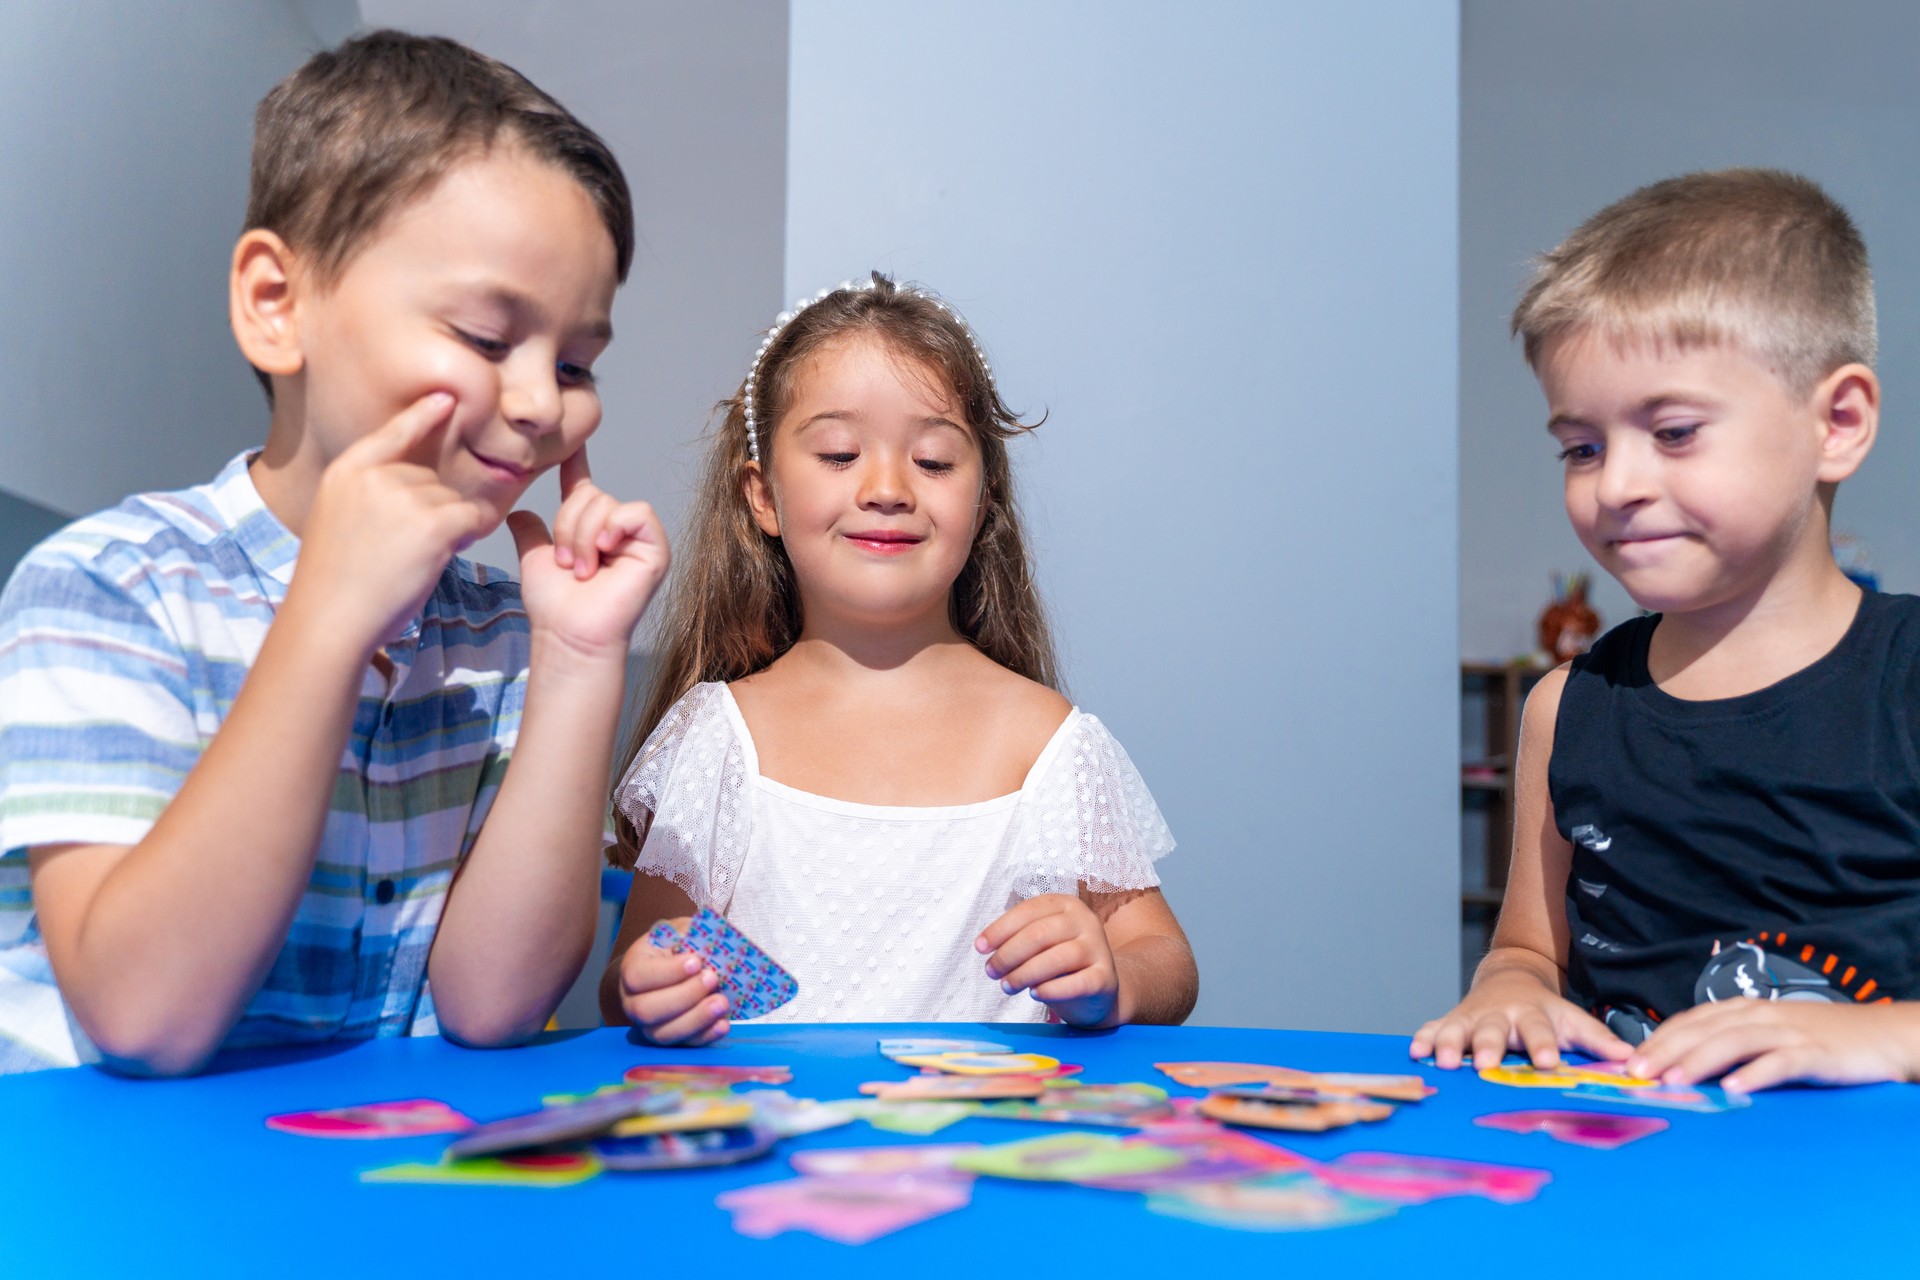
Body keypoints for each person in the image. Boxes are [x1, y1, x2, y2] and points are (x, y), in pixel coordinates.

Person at [0, 31, 668, 1075]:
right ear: (277, 303)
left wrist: (580, 659)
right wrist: (328, 617)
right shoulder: (106, 589)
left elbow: (494, 1002)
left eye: (576, 360)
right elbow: (143, 1013)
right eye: (489, 340)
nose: (542, 403)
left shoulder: (502, 633)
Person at [1413, 168, 1920, 1093]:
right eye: (1583, 447)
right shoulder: (1567, 707)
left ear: (1838, 423)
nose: (1615, 486)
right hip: (1632, 1177)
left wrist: (1885, 1035)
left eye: (1676, 432)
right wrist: (1508, 990)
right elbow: (1527, 949)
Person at [599, 274, 1197, 1042]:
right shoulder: (719, 738)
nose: (887, 488)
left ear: (982, 502)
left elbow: (1164, 958)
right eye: (841, 454)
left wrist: (1110, 980)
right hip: (776, 1148)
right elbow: (636, 971)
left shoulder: (1047, 742)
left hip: (988, 1148)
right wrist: (649, 986)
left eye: (936, 462)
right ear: (764, 497)